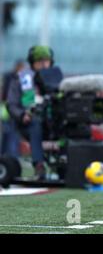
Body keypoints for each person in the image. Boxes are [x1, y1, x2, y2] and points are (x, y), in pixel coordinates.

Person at [6, 46, 54, 179]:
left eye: (47, 61)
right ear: (33, 62)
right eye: (40, 61)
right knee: (35, 124)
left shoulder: (55, 78)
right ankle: (39, 165)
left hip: (52, 120)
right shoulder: (20, 79)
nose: (44, 65)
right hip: (27, 122)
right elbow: (11, 104)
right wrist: (22, 115)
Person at [1, 60, 25, 158]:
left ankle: (5, 155)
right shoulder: (11, 77)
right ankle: (11, 156)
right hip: (8, 110)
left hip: (10, 109)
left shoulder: (10, 76)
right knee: (11, 134)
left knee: (9, 134)